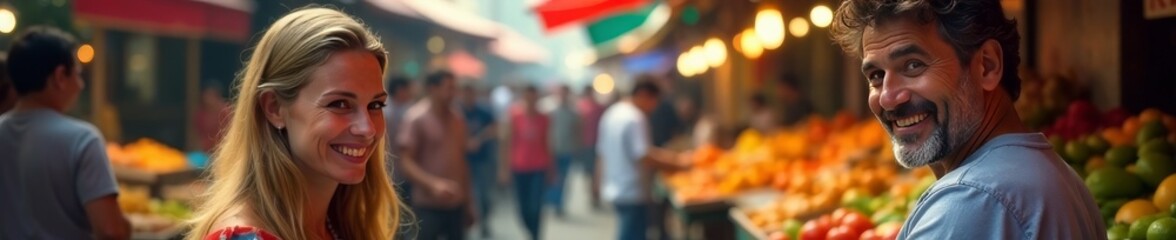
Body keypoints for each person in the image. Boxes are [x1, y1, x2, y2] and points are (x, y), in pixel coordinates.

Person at [830, 0, 1104, 238]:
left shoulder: (973, 199)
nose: (888, 98)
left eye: (913, 65)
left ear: (987, 65)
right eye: (876, 76)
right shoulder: (1054, 173)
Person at [184, 8, 404, 239]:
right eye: (340, 104)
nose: (367, 129)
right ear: (274, 108)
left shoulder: (340, 221)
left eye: (376, 105)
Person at [0, 25, 130, 240]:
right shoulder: (82, 139)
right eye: (78, 74)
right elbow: (110, 230)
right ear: (60, 77)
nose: (80, 85)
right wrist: (126, 226)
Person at [598, 77, 690, 240]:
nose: (654, 107)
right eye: (654, 101)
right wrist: (679, 162)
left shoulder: (612, 113)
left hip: (614, 186)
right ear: (643, 95)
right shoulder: (635, 118)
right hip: (633, 188)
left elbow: (602, 152)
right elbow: (644, 156)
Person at [397, 70, 473, 240]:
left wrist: (469, 203)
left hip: (456, 203)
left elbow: (462, 161)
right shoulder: (416, 118)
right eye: (449, 88)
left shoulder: (458, 119)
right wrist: (433, 184)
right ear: (433, 89)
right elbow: (406, 162)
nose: (454, 93)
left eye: (455, 88)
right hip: (427, 204)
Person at [499, 85, 556, 240]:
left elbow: (548, 143)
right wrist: (504, 169)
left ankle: (536, 235)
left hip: (539, 167)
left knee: (536, 207)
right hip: (519, 167)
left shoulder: (544, 118)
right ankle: (530, 231)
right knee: (523, 208)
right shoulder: (514, 116)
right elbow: (506, 143)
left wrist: (552, 169)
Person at [459, 83, 497, 238]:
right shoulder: (457, 112)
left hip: (482, 160)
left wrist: (479, 139)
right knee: (465, 196)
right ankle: (465, 225)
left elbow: (495, 128)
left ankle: (485, 222)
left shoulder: (484, 112)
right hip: (463, 161)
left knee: (484, 196)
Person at [545, 84, 580, 217]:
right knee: (553, 178)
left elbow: (577, 130)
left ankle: (559, 204)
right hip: (553, 150)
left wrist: (577, 146)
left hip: (567, 150)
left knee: (564, 179)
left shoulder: (573, 112)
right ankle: (553, 202)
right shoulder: (550, 110)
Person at [576, 85, 605, 209]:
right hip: (586, 143)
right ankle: (592, 192)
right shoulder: (581, 107)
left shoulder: (599, 107)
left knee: (595, 170)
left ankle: (595, 193)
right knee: (588, 171)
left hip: (597, 143)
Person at [194, 83, 230, 153]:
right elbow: (197, 133)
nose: (208, 99)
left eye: (211, 96)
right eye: (206, 95)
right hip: (205, 151)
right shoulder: (201, 113)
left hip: (222, 149)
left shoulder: (224, 112)